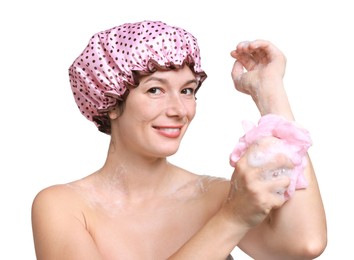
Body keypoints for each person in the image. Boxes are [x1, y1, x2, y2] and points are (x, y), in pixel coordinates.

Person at [31, 20, 327, 259]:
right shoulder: (64, 207)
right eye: (155, 90)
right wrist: (232, 219)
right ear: (111, 102)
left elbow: (304, 243)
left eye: (187, 91)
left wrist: (269, 93)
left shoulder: (213, 195)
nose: (178, 110)